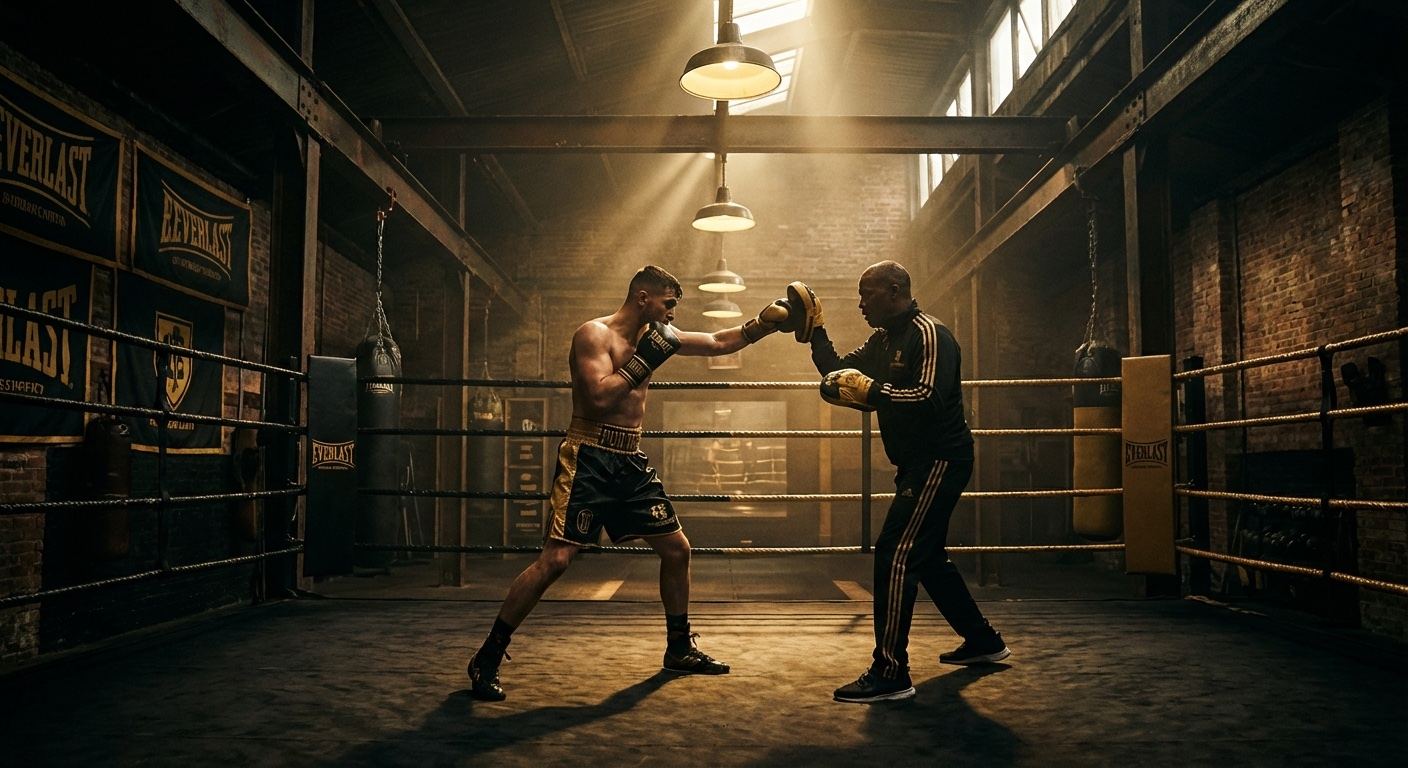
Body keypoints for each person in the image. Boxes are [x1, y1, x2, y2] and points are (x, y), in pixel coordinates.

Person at [466, 265, 801, 701]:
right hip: (589, 456)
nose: (671, 315)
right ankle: (488, 656)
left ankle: (679, 648)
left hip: (630, 461)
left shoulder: (657, 334)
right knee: (558, 560)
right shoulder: (594, 335)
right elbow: (599, 396)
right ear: (643, 298)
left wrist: (766, 324)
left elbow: (720, 341)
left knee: (677, 549)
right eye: (668, 304)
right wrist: (647, 359)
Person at [792, 260, 1010, 704]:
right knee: (926, 557)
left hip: (940, 460)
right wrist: (814, 329)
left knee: (895, 554)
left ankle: (891, 671)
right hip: (915, 464)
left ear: (895, 291)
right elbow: (837, 371)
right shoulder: (883, 339)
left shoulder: (930, 335)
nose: (860, 303)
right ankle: (983, 640)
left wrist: (873, 392)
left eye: (867, 294)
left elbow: (928, 398)